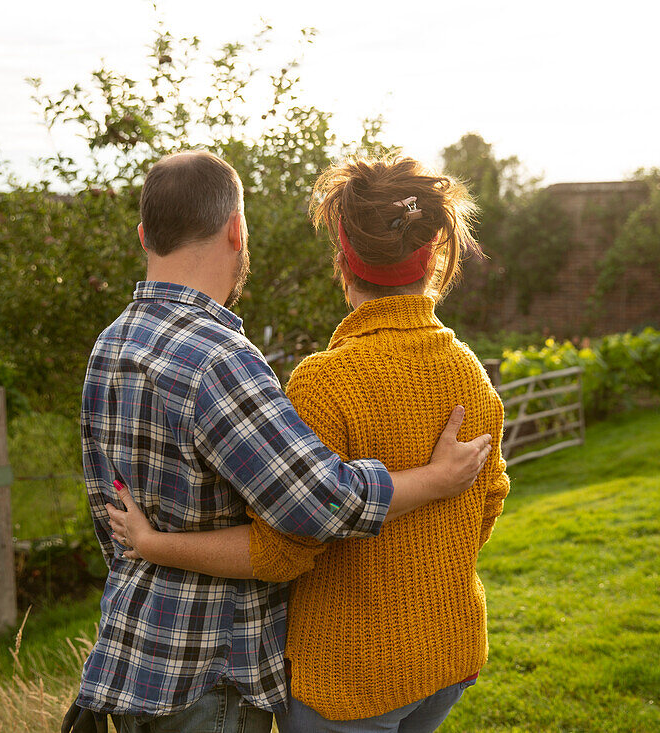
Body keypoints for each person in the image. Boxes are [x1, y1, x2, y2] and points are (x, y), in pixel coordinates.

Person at [71, 150, 492, 733]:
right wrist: (437, 482)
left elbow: (106, 507)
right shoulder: (218, 359)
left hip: (134, 653)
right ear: (237, 230)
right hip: (209, 668)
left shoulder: (110, 346)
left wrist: (147, 546)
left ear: (144, 235)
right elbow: (316, 509)